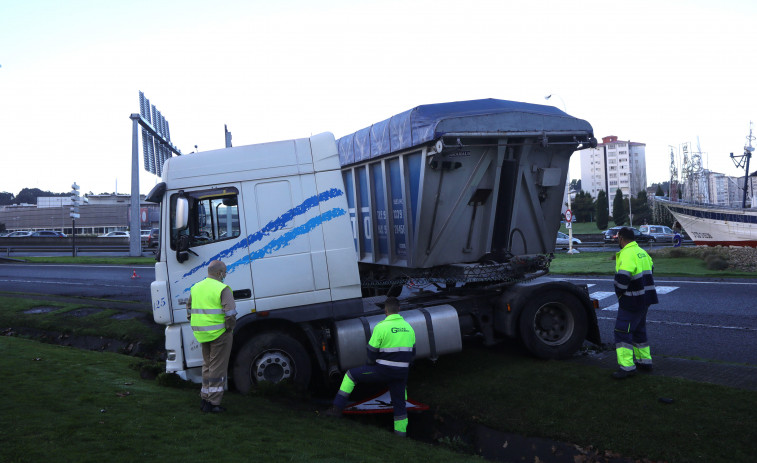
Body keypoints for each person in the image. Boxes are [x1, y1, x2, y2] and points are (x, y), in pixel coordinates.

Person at [326, 297, 416, 436]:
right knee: (400, 404)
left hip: (383, 371)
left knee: (350, 375)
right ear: (399, 310)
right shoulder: (409, 328)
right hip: (401, 373)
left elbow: (371, 352)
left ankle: (336, 409)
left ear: (385, 311)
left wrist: (370, 367)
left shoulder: (381, 327)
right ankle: (400, 435)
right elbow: (412, 354)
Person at [187, 260, 237, 412]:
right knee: (217, 368)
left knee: (207, 366)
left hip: (202, 333)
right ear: (219, 273)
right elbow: (230, 313)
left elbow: (189, 310)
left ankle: (205, 398)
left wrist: (197, 325)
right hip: (220, 334)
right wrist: (229, 328)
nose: (225, 275)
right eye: (225, 272)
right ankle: (213, 403)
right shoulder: (223, 288)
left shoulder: (196, 287)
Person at [612, 227, 658, 379]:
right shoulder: (642, 252)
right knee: (639, 330)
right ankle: (645, 362)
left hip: (631, 300)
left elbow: (622, 280)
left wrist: (619, 291)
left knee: (622, 332)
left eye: (618, 238)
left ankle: (627, 368)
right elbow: (651, 269)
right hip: (645, 299)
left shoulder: (626, 253)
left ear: (621, 238)